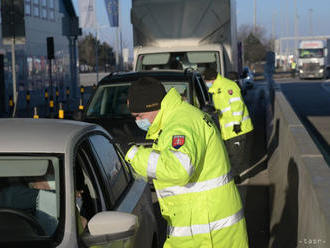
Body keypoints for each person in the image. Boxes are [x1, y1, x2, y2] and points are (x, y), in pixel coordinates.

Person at [125, 77, 248, 247]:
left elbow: (179, 169)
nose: (138, 121)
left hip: (206, 232)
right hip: (203, 225)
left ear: (153, 106)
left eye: (139, 115)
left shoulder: (180, 124)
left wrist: (133, 155)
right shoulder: (182, 116)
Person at [203, 68, 254, 179]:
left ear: (212, 79)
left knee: (235, 155)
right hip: (227, 130)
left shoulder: (228, 86)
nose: (207, 84)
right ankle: (231, 176)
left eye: (206, 81)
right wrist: (214, 110)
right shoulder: (217, 89)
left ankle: (235, 177)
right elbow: (224, 108)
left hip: (237, 129)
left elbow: (237, 105)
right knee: (229, 154)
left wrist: (237, 124)